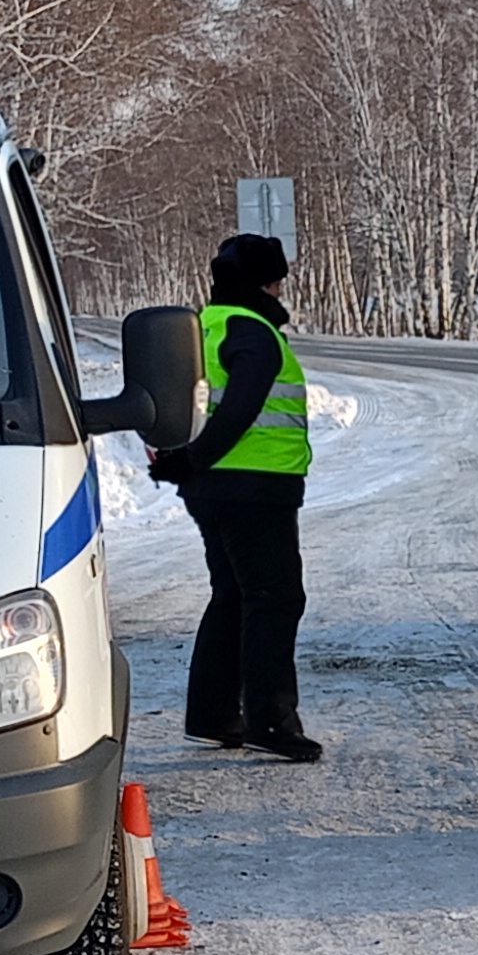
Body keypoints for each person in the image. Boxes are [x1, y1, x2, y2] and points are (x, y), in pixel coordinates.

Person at [158, 232, 323, 761]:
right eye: (276, 280)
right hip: (252, 487)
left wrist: (182, 462)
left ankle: (211, 718)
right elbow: (241, 410)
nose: (280, 290)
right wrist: (194, 459)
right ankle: (270, 723)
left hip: (214, 490)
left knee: (232, 596)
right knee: (275, 600)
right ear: (261, 283)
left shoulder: (204, 326)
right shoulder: (251, 332)